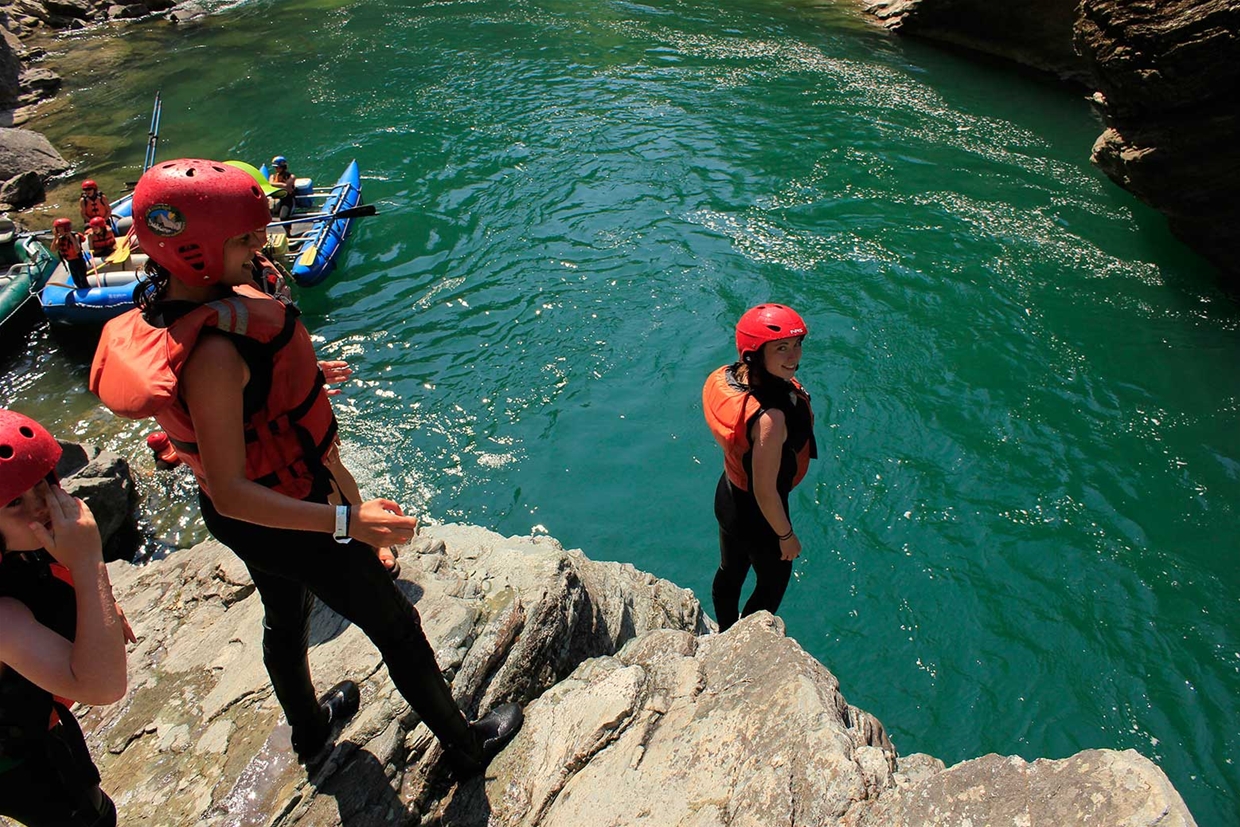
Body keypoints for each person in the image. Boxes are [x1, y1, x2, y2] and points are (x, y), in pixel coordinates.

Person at [89, 159, 521, 773]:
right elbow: (238, 488)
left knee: (283, 619)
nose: (261, 245)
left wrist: (308, 378)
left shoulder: (177, 310)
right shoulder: (214, 354)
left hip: (247, 517)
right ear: (197, 251)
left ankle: (311, 733)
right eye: (243, 238)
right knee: (396, 626)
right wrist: (349, 523)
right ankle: (464, 745)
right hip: (285, 513)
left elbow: (241, 418)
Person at [0, 409, 130, 827]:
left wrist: (98, 603)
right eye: (16, 501)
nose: (41, 507)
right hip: (15, 752)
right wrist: (89, 562)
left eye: (41, 484)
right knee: (87, 817)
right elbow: (104, 686)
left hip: (24, 719)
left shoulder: (17, 546)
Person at [702, 304, 817, 632]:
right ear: (754, 355)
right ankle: (742, 643)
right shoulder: (770, 419)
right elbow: (765, 491)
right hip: (761, 517)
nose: (794, 355)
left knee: (730, 571)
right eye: (781, 348)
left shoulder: (733, 377)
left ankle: (724, 632)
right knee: (771, 587)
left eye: (797, 344)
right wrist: (786, 536)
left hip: (728, 497)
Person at [51, 218, 89, 290]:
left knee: (83, 281)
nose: (59, 231)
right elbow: (53, 249)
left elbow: (77, 250)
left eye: (60, 229)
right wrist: (55, 237)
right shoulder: (60, 239)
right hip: (70, 263)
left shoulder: (75, 236)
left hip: (79, 262)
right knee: (77, 281)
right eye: (58, 229)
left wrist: (70, 236)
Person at [267, 156, 296, 221]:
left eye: (278, 167)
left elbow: (287, 185)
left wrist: (279, 185)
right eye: (275, 167)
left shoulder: (291, 176)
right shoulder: (273, 176)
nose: (276, 169)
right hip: (276, 198)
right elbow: (270, 184)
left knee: (284, 217)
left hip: (287, 199)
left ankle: (288, 230)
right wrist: (282, 185)